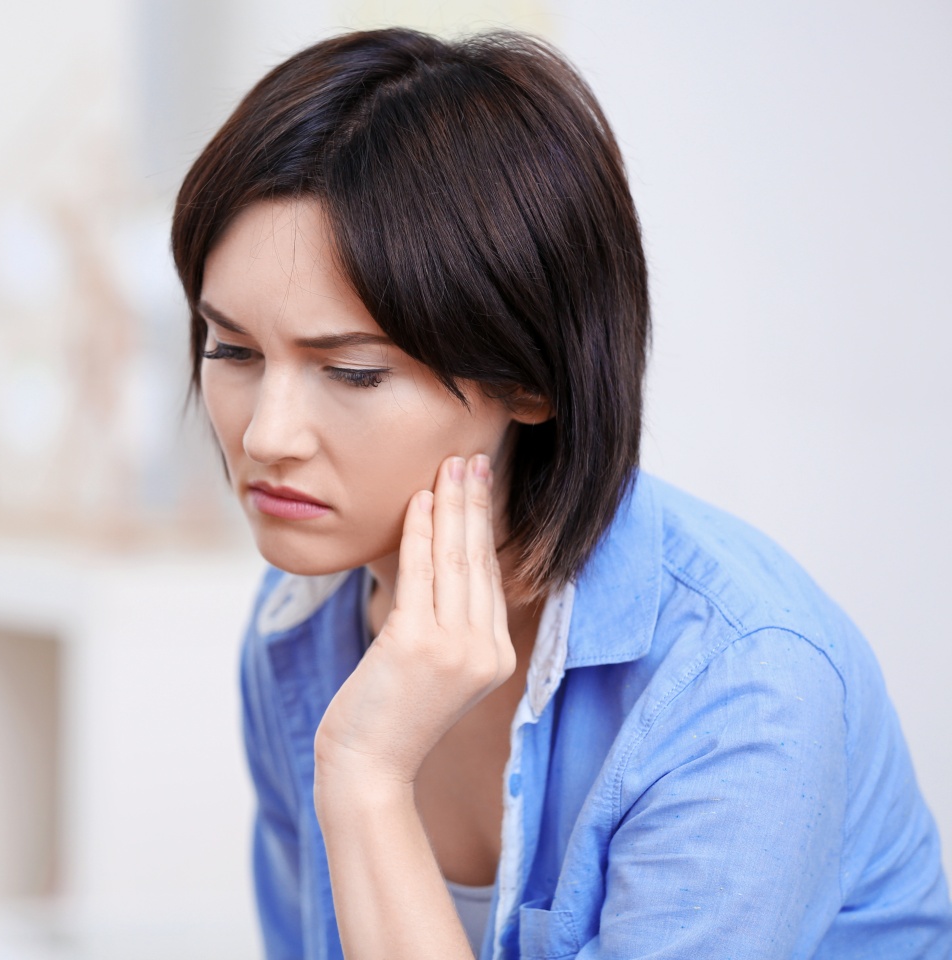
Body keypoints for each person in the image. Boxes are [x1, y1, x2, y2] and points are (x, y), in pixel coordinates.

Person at [170, 27, 952, 960]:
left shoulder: (746, 684)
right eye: (233, 350)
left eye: (355, 372)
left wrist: (367, 774)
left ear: (532, 381)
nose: (265, 436)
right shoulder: (301, 623)